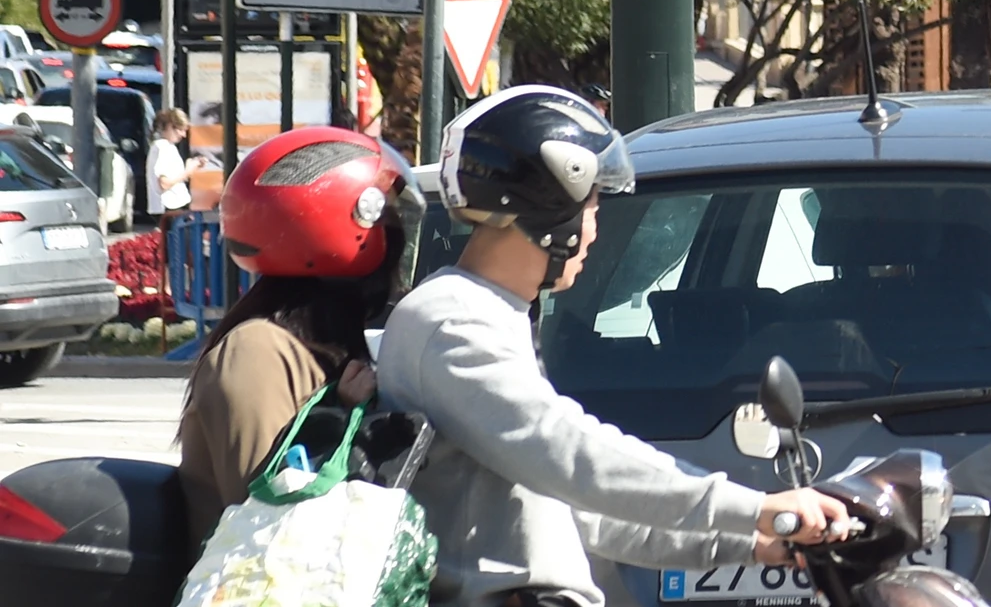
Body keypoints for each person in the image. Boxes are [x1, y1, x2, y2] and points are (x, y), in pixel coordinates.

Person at [379, 86, 847, 607]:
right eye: (593, 204)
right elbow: (570, 453)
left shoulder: (494, 314)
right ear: (550, 209)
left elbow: (585, 512)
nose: (596, 226)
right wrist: (752, 506)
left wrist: (757, 543)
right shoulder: (451, 320)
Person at [176, 126, 420, 548]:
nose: (398, 265)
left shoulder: (328, 350)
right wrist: (337, 414)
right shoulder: (257, 353)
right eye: (393, 237)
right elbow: (271, 519)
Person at [147, 108, 205, 231]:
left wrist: (189, 168)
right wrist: (187, 171)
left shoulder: (167, 147)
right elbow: (164, 183)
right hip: (170, 207)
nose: (183, 135)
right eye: (180, 129)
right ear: (169, 126)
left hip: (174, 206)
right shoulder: (162, 147)